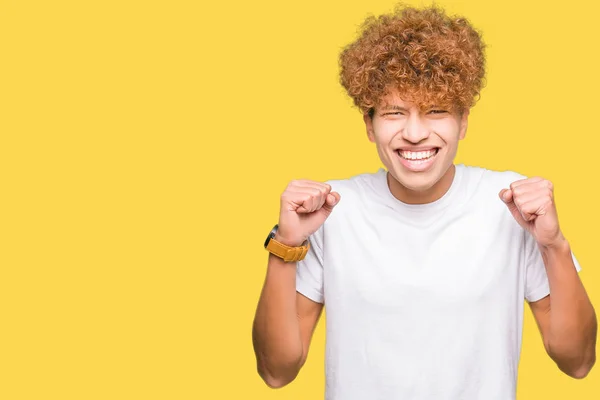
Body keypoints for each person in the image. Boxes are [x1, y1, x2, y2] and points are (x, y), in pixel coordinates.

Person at [251, 4, 597, 399]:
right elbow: (276, 371)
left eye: (436, 111)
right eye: (395, 112)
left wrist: (554, 245)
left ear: (464, 121)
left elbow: (578, 362)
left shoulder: (512, 206)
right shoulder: (330, 211)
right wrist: (285, 246)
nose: (415, 133)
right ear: (369, 124)